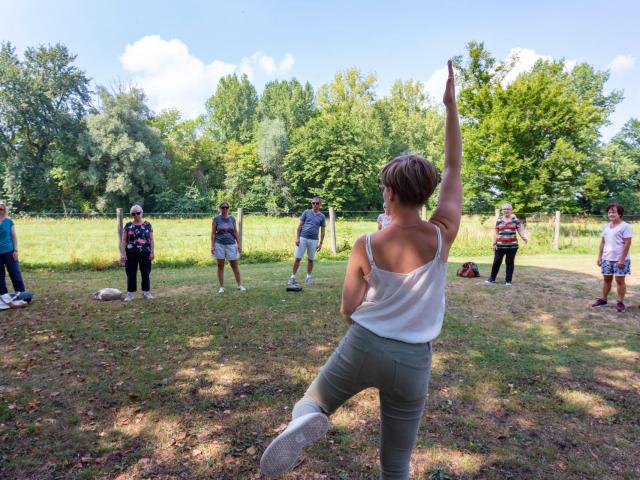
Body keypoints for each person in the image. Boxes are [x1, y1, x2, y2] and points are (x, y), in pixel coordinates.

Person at [260, 60, 462, 479]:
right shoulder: (442, 234)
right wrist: (449, 107)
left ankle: (305, 420)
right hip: (414, 361)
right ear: (426, 193)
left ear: (388, 193)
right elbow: (453, 168)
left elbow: (347, 309)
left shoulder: (365, 245)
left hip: (365, 344)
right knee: (396, 464)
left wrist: (372, 305)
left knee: (310, 403)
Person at [592, 204, 632, 313]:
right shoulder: (606, 226)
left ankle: (620, 302)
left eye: (613, 212)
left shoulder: (625, 226)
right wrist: (600, 256)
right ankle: (604, 300)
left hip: (620, 259)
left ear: (620, 214)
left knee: (619, 280)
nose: (611, 214)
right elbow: (603, 242)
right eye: (609, 212)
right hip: (606, 258)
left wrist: (622, 259)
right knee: (607, 279)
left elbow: (627, 243)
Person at [485, 203, 528, 286]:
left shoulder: (516, 220)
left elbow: (520, 230)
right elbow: (496, 233)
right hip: (499, 246)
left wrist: (524, 238)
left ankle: (508, 281)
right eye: (504, 209)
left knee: (509, 263)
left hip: (512, 246)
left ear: (511, 210)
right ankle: (492, 279)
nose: (506, 210)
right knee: (496, 262)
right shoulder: (499, 220)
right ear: (502, 211)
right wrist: (494, 244)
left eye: (508, 209)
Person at [288, 196, 326, 286]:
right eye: (313, 203)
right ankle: (292, 277)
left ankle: (308, 277)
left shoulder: (322, 216)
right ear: (311, 204)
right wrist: (297, 238)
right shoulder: (306, 212)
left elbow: (323, 231)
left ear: (320, 204)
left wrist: (320, 243)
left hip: (314, 240)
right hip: (303, 238)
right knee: (298, 258)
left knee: (311, 259)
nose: (315, 205)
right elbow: (300, 226)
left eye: (317, 203)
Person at [120, 205, 154, 301]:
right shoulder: (128, 225)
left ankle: (146, 292)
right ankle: (130, 294)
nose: (136, 215)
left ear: (142, 213)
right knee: (130, 273)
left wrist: (152, 252)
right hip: (131, 253)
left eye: (138, 213)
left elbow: (151, 240)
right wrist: (123, 254)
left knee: (146, 272)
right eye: (133, 214)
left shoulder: (148, 225)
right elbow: (123, 241)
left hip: (145, 253)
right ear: (131, 215)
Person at [211, 201, 246, 294]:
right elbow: (213, 233)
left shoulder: (232, 219)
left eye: (226, 207)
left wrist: (239, 244)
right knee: (220, 266)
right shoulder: (216, 219)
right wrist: (212, 245)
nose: (225, 209)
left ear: (228, 208)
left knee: (234, 265)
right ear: (220, 208)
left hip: (231, 244)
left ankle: (239, 285)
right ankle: (222, 287)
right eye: (223, 207)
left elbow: (235, 232)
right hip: (219, 244)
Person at [0, 201, 26, 302]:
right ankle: (4, 295)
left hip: (9, 251)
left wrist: (15, 250)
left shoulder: (8, 221)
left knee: (14, 272)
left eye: (1, 209)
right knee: (0, 275)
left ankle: (21, 293)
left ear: (4, 210)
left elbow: (14, 237)